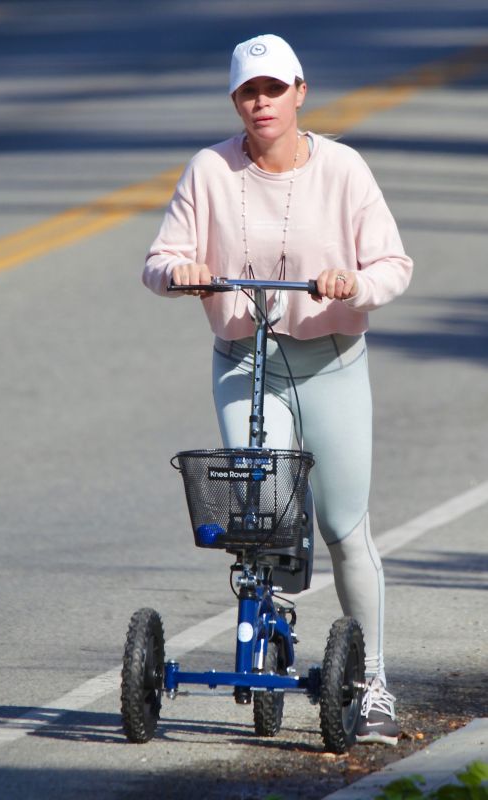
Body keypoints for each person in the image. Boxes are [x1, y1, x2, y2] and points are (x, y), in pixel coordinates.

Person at [143, 34, 413, 746]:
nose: (259, 103)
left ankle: (374, 683)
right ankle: (266, 631)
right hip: (243, 359)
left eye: (272, 89)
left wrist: (353, 282)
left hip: (329, 361)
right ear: (235, 100)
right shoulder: (209, 170)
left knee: (342, 528)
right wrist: (182, 274)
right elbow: (158, 260)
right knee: (260, 517)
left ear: (299, 91)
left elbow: (392, 263)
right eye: (246, 92)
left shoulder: (344, 170)